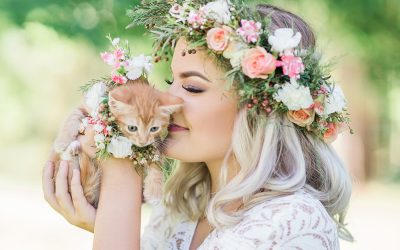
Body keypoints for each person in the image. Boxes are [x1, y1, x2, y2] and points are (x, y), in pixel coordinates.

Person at [42, 1, 353, 249]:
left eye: (192, 87)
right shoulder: (181, 209)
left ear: (258, 110)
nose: (167, 99)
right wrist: (110, 222)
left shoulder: (294, 221)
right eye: (170, 81)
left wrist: (122, 176)